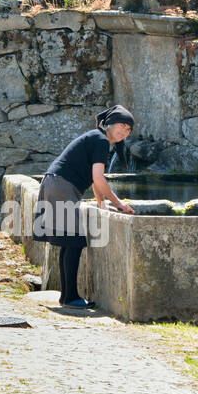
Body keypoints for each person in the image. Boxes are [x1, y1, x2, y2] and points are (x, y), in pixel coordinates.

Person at [31, 104, 137, 308]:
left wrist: (102, 204)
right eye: (121, 126)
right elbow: (98, 179)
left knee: (69, 242)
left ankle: (67, 296)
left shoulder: (96, 138)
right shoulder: (101, 140)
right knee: (75, 242)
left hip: (54, 183)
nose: (124, 131)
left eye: (128, 129)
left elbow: (94, 177)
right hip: (62, 186)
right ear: (109, 124)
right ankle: (70, 297)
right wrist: (119, 204)